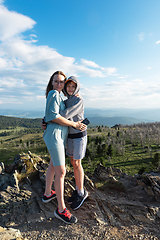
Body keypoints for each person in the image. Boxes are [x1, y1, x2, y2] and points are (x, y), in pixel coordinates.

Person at [42, 71, 86, 224]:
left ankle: (48, 193)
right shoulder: (54, 93)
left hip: (57, 137)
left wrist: (45, 120)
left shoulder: (59, 96)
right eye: (56, 81)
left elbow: (50, 114)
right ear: (52, 83)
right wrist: (74, 124)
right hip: (55, 137)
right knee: (61, 172)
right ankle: (61, 210)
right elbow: (54, 116)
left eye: (62, 81)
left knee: (53, 166)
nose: (59, 84)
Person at [60, 76, 88, 210]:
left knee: (77, 163)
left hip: (79, 136)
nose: (70, 89)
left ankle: (81, 193)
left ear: (76, 87)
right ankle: (78, 190)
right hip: (70, 136)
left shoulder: (78, 100)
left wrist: (53, 116)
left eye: (73, 86)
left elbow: (65, 114)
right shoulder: (67, 100)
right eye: (68, 86)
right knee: (73, 162)